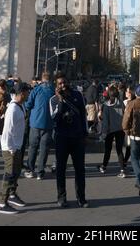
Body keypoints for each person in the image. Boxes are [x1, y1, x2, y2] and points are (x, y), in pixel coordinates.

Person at [50, 76, 89, 208]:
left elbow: (84, 115)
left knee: (80, 170)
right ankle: (61, 197)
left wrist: (85, 133)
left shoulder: (77, 95)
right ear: (56, 86)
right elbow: (55, 118)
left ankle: (81, 198)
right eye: (60, 83)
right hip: (62, 138)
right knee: (61, 169)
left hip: (77, 138)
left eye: (65, 82)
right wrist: (61, 101)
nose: (63, 85)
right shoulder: (53, 100)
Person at [0, 83, 29, 214]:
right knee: (9, 174)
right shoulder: (13, 109)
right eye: (27, 92)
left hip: (17, 145)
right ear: (21, 93)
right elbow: (8, 130)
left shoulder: (20, 106)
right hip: (10, 147)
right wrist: (11, 149)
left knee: (16, 172)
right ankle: (2, 203)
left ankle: (12, 195)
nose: (28, 94)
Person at [24, 71, 54, 180]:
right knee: (44, 149)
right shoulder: (54, 90)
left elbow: (28, 105)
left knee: (33, 147)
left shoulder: (36, 90)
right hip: (49, 124)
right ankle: (40, 172)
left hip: (35, 123)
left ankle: (30, 169)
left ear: (42, 79)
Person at [97, 85, 126, 177]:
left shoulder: (106, 105)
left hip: (109, 130)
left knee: (108, 149)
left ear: (109, 94)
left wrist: (103, 134)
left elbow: (105, 121)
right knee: (119, 150)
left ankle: (104, 166)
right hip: (120, 129)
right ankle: (122, 170)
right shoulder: (121, 103)